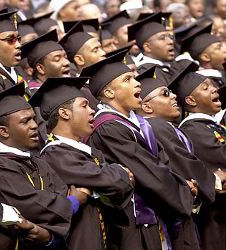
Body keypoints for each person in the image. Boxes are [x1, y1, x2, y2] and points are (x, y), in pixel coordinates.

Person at [81, 51, 195, 250]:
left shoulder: (138, 122)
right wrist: (184, 189)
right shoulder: (108, 127)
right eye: (128, 79)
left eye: (135, 77)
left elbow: (161, 161)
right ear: (109, 93)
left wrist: (181, 183)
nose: (138, 83)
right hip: (131, 221)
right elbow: (147, 169)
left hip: (155, 214)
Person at [0, 83, 88, 249]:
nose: (35, 125)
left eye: (34, 119)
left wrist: (49, 235)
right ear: (4, 131)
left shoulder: (37, 160)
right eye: (25, 121)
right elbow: (31, 206)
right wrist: (73, 202)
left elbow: (60, 191)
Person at [29, 76, 134, 250]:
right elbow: (114, 182)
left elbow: (115, 186)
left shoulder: (85, 151)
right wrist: (119, 172)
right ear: (64, 113)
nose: (92, 111)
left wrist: (110, 178)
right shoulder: (56, 154)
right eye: (84, 105)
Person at [135, 62, 218, 249]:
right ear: (147, 107)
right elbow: (182, 163)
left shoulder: (164, 126)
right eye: (165, 93)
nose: (173, 96)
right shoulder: (154, 127)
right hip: (174, 216)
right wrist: (213, 180)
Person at [173, 72, 226, 250]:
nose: (214, 89)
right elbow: (221, 159)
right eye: (206, 88)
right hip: (215, 219)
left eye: (213, 85)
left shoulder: (210, 126)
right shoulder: (193, 129)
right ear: (191, 101)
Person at [128, 12, 175, 83]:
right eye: (162, 38)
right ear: (147, 47)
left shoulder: (172, 66)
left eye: (170, 37)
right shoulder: (147, 73)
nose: (170, 41)